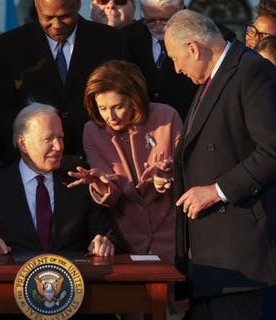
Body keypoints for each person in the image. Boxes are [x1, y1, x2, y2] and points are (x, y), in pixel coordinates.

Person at [162, 9, 276, 319]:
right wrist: (176, 169)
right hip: (210, 258)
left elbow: (274, 150)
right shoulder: (212, 78)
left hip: (242, 254)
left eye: (175, 58)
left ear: (193, 48)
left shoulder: (252, 71)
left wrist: (217, 190)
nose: (176, 69)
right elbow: (223, 146)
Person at [67, 60, 183, 317]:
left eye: (118, 106)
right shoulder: (92, 131)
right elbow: (113, 190)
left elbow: (185, 171)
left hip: (172, 239)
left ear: (135, 98)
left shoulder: (166, 117)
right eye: (103, 108)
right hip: (129, 243)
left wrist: (169, 176)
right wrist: (99, 182)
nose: (111, 116)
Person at [0, 103, 116, 257]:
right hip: (11, 281)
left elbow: (105, 234)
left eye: (60, 138)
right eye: (49, 139)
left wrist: (103, 242)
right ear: (23, 144)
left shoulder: (78, 181)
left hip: (71, 281)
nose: (59, 147)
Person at [0, 0, 127, 168]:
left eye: (64, 16)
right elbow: (0, 113)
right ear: (37, 6)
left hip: (101, 165)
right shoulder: (8, 47)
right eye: (48, 17)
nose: (57, 25)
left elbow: (125, 102)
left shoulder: (111, 41)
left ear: (77, 4)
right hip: (33, 167)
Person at [123, 0, 197, 119]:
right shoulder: (125, 38)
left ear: (181, 6)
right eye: (150, 20)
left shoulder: (205, 35)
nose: (158, 27)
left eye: (165, 20)